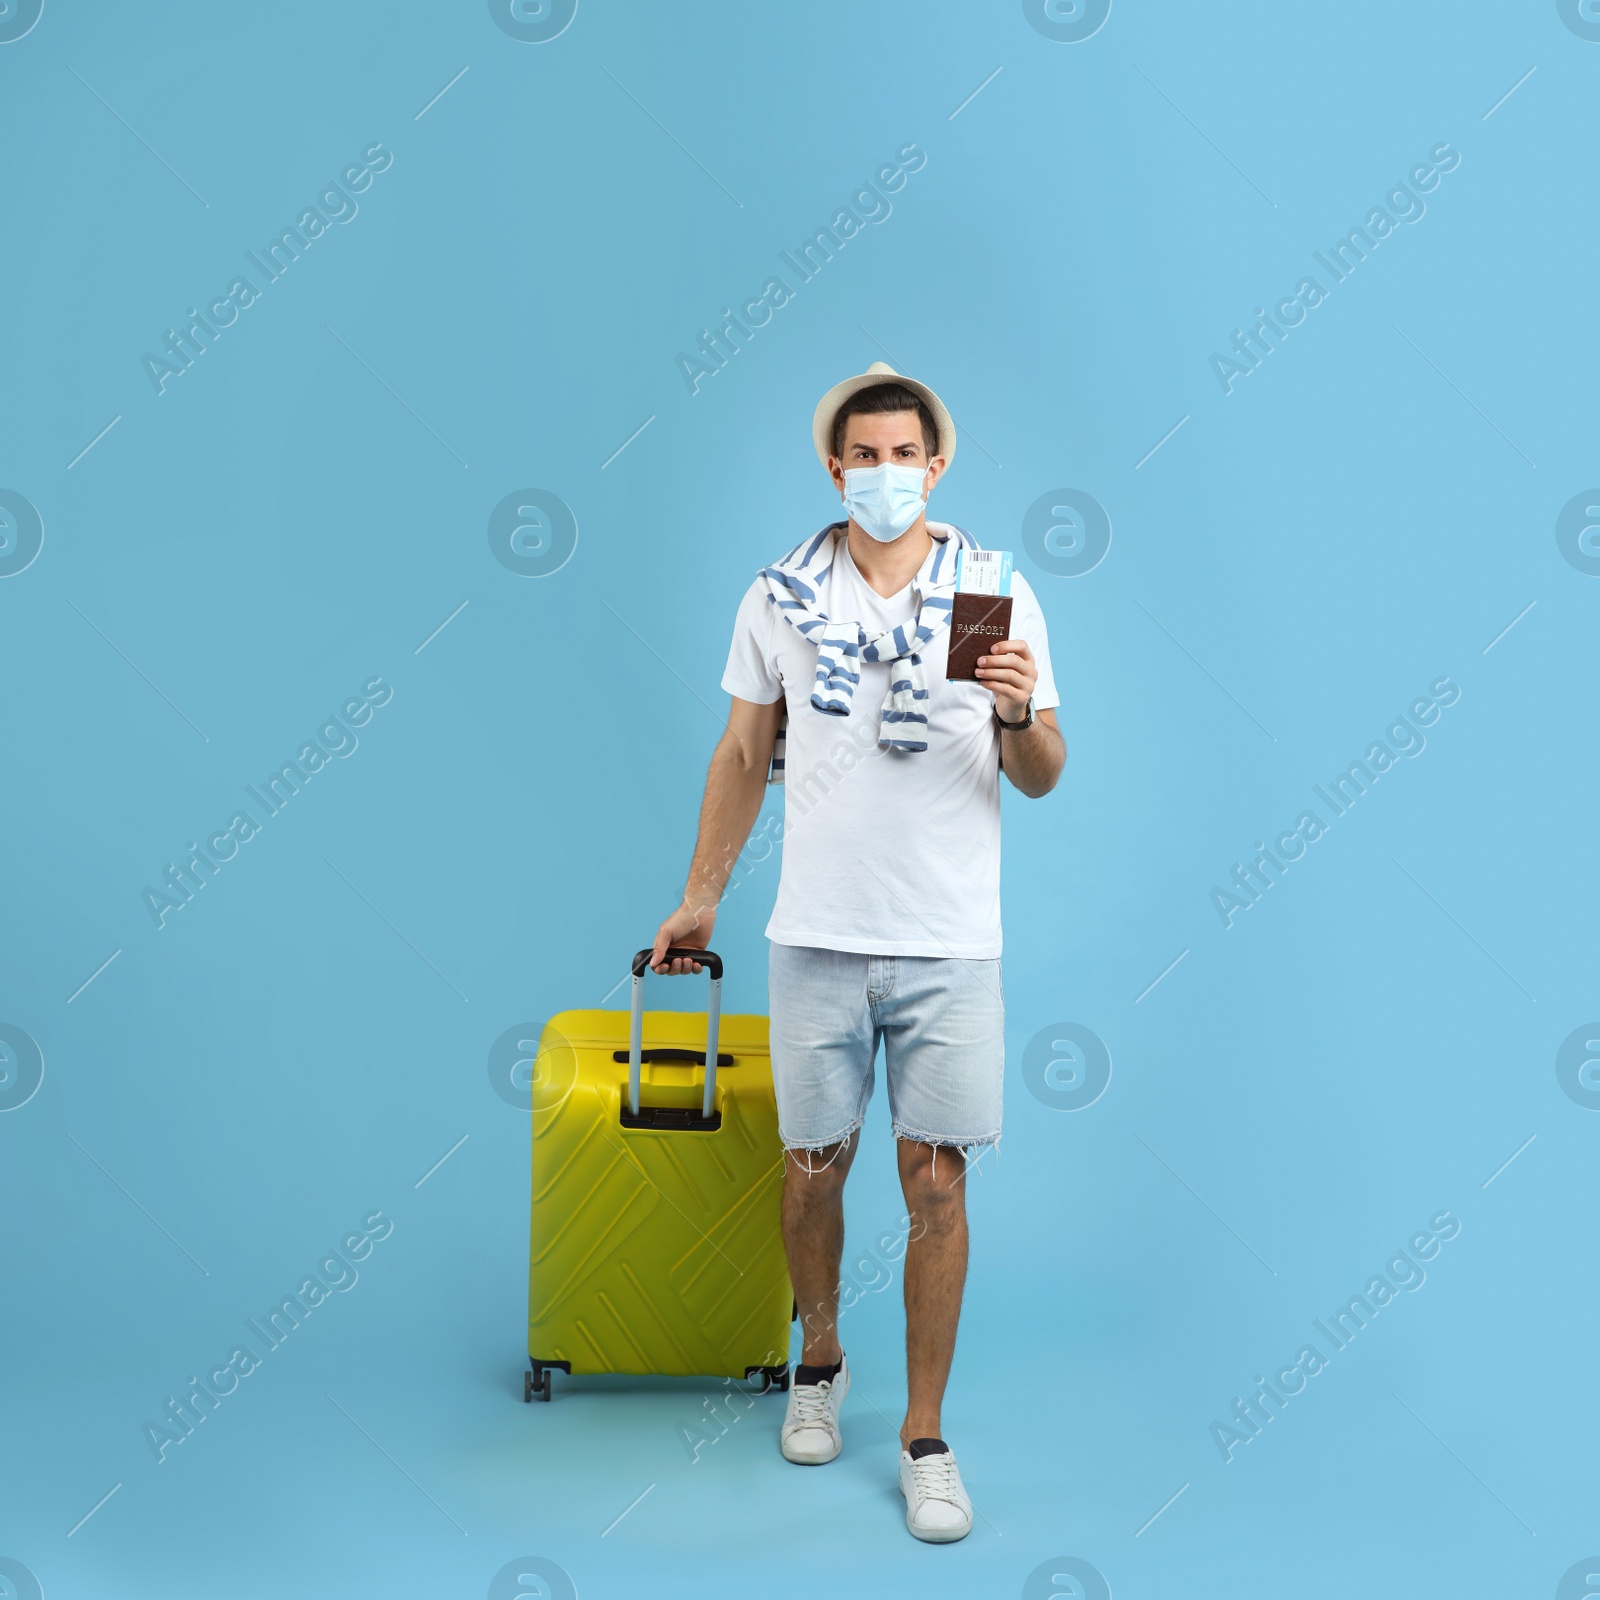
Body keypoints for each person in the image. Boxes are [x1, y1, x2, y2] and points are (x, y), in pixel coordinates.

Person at [651, 361, 1065, 1543]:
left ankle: (925, 1435)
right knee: (810, 1168)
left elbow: (1039, 775)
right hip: (818, 936)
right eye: (863, 455)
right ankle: (819, 1356)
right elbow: (742, 756)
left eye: (904, 455)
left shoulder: (987, 593)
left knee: (937, 1180)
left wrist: (1019, 711)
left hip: (947, 943)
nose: (885, 473)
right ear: (834, 466)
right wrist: (698, 897)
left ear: (938, 465)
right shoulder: (780, 597)